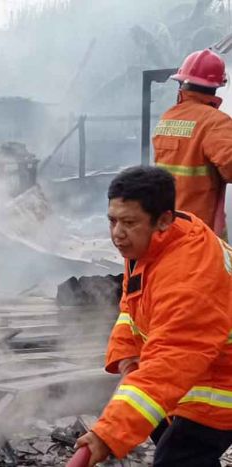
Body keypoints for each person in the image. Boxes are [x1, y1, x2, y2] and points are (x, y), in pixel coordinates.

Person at [75, 166, 232, 466]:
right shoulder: (149, 244)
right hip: (196, 368)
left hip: (220, 382)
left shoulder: (187, 277)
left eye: (129, 222)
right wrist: (126, 356)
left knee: (176, 458)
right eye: (112, 221)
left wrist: (108, 434)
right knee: (158, 422)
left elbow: (170, 362)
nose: (117, 234)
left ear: (163, 220)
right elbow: (131, 308)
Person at [153, 49, 232, 237]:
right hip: (199, 229)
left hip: (165, 223)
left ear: (182, 83)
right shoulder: (216, 122)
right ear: (216, 86)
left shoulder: (167, 117)